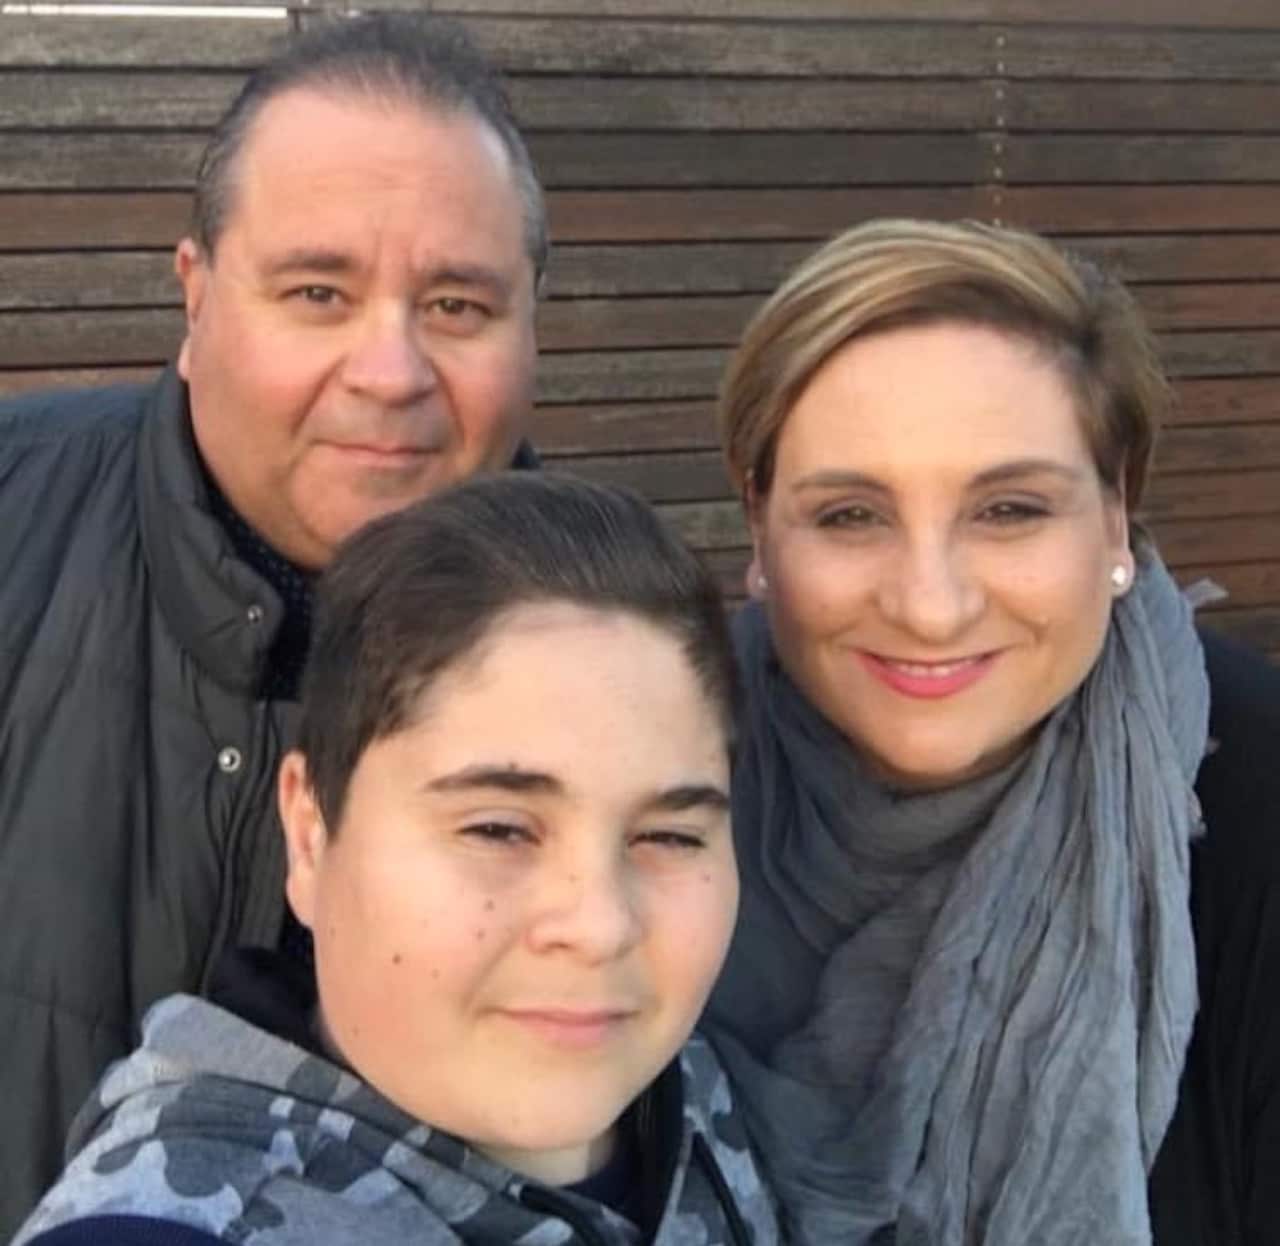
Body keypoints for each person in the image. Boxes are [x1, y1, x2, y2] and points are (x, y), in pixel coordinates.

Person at [0, 13, 543, 1234]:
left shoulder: (610, 662)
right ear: (195, 297)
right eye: (318, 291)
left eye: (456, 305)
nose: (390, 370)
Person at [13, 473, 779, 1246]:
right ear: (310, 834)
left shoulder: (696, 1091)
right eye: (497, 829)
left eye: (670, 837)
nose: (602, 924)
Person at [705, 218, 1280, 1246]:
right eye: (848, 515)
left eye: (1008, 509)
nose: (930, 606)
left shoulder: (1261, 799)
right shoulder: (657, 778)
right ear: (758, 527)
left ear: (1114, 515)